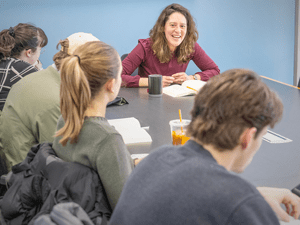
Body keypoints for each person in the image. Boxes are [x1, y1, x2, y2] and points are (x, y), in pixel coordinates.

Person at [110, 69, 300, 224]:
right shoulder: (242, 207)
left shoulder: (154, 160)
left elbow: (191, 195)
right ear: (247, 137)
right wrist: (249, 201)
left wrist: (252, 196)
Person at [52, 41, 140, 210]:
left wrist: (129, 162)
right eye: (121, 75)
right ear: (111, 84)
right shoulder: (108, 140)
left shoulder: (65, 120)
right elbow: (128, 212)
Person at [0, 32, 99, 172]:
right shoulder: (54, 101)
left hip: (23, 167)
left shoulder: (41, 77)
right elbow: (65, 159)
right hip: (32, 179)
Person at [121, 3, 220, 88]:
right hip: (149, 98)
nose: (178, 30)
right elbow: (117, 77)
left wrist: (191, 78)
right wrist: (153, 82)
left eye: (182, 26)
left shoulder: (190, 46)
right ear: (163, 27)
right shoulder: (145, 47)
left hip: (176, 101)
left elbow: (215, 71)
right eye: (172, 25)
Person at [0, 23, 48, 111]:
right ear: (29, 53)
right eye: (40, 50)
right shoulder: (24, 69)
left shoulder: (4, 61)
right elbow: (48, 94)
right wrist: (39, 69)